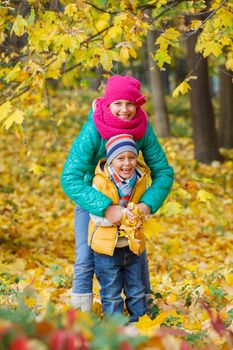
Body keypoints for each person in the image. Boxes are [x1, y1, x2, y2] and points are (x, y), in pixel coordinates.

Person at [61, 75, 174, 312]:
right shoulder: (94, 127)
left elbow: (163, 171)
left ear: (138, 105)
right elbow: (69, 177)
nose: (124, 110)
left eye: (130, 103)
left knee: (138, 254)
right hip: (93, 199)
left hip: (130, 199)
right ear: (107, 103)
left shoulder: (142, 127)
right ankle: (79, 318)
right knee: (85, 257)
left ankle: (144, 313)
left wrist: (146, 205)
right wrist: (105, 207)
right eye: (118, 104)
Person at [88, 134, 151, 322]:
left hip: (132, 247)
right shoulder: (99, 182)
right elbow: (96, 217)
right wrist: (122, 217)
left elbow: (147, 207)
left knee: (136, 289)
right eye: (120, 158)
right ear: (111, 159)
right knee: (111, 292)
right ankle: (114, 328)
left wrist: (141, 216)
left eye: (131, 157)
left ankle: (140, 324)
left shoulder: (140, 180)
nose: (127, 163)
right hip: (106, 249)